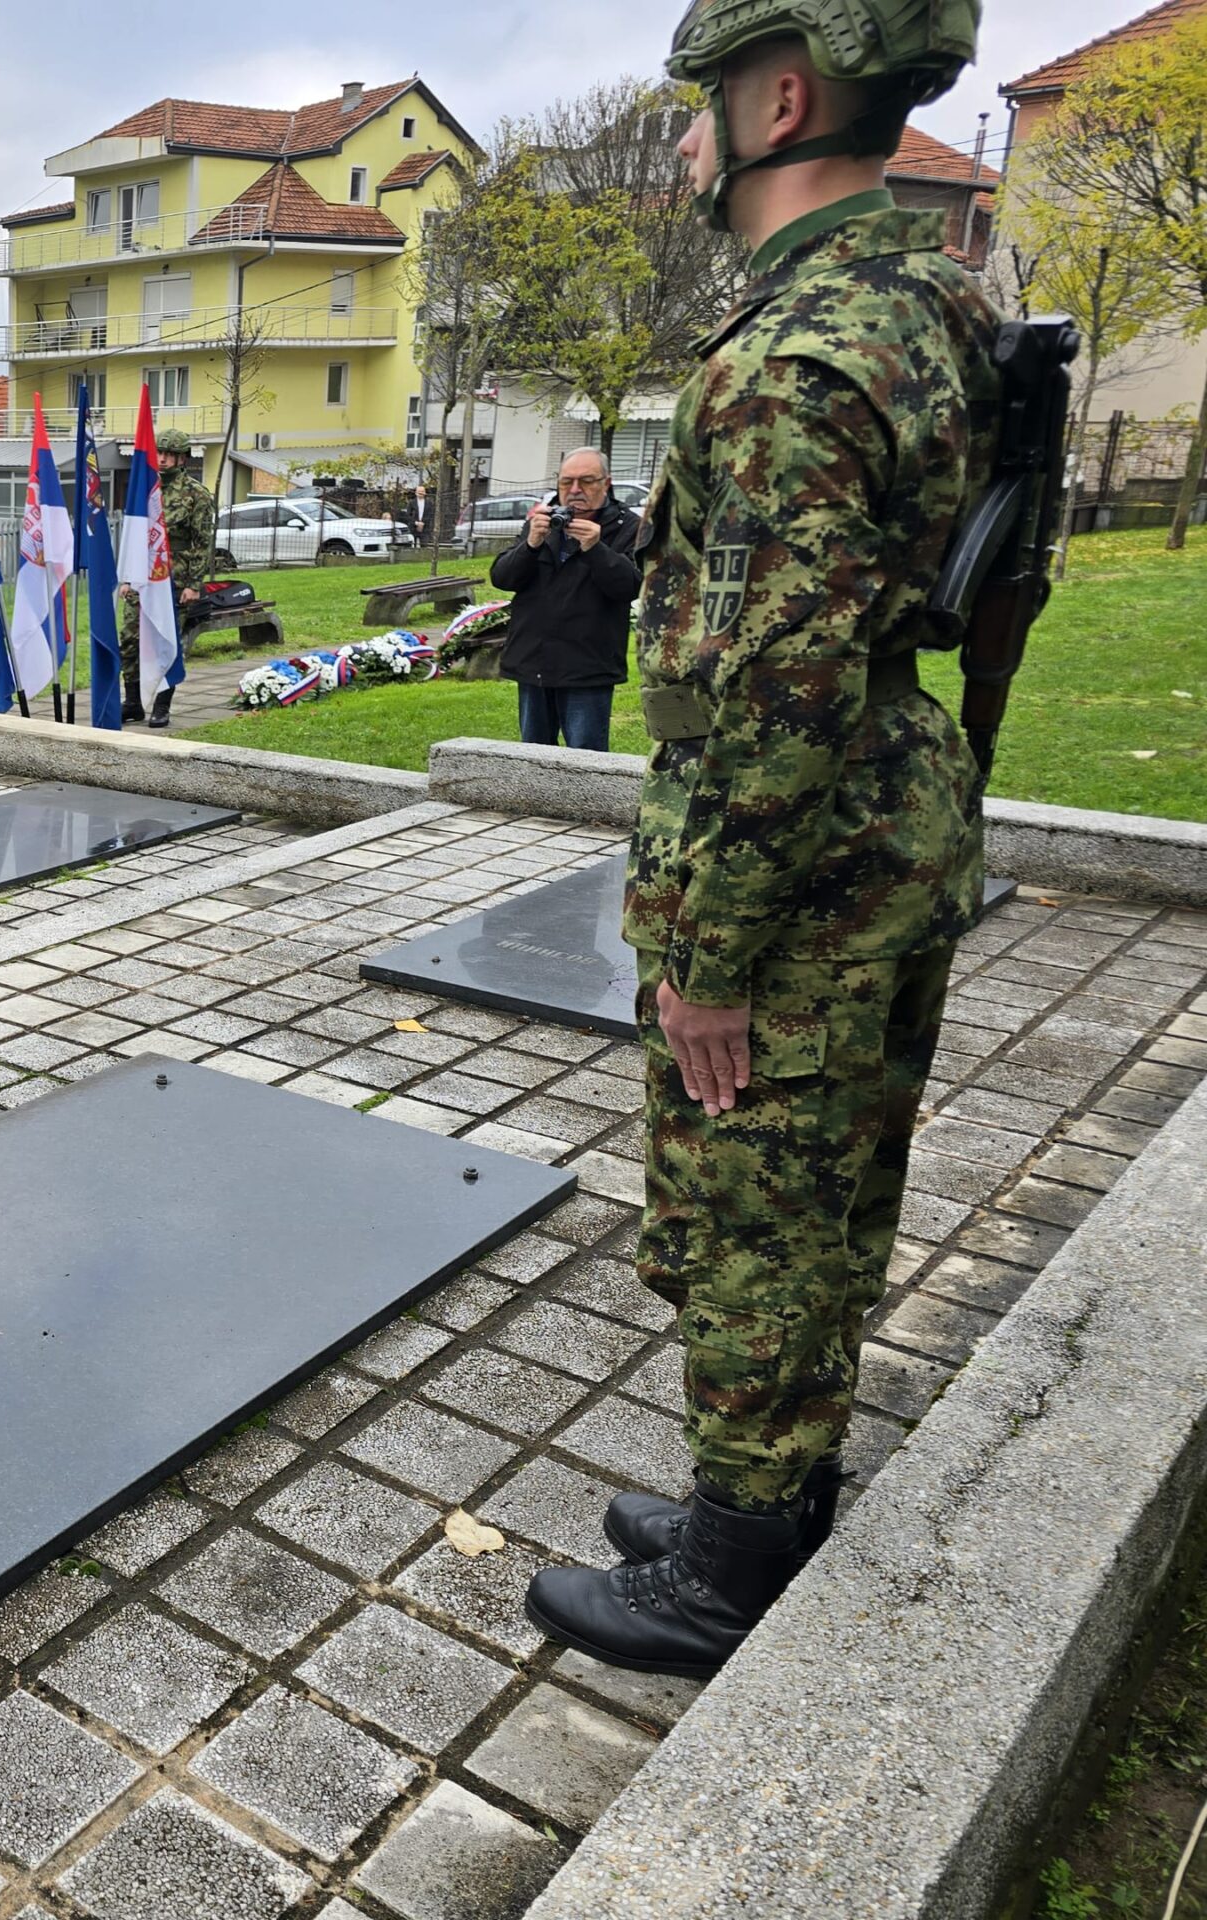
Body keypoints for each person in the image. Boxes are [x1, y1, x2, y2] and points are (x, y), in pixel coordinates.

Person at [522, 0, 998, 1679]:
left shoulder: (796, 362)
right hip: (890, 832)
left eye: (700, 105)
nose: (682, 140)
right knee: (826, 1192)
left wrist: (710, 965)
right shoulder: (928, 292)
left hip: (800, 875)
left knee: (753, 1211)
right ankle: (768, 1496)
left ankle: (730, 1571)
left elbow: (776, 697)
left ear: (782, 97)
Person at [487, 449, 640, 752]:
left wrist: (596, 549)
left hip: (588, 666)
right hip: (534, 662)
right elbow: (503, 578)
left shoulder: (627, 526)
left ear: (606, 483)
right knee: (534, 757)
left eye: (586, 481)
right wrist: (531, 545)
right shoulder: (543, 521)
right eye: (566, 482)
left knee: (586, 763)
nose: (574, 491)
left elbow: (630, 587)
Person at [118, 429, 216, 727]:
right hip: (142, 575)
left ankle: (162, 705)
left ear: (182, 457)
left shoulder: (195, 494)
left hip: (175, 578)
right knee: (130, 638)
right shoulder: (144, 489)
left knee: (165, 639)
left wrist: (193, 585)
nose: (162, 459)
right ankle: (133, 702)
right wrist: (126, 577)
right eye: (158, 452)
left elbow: (202, 541)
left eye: (169, 454)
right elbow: (133, 534)